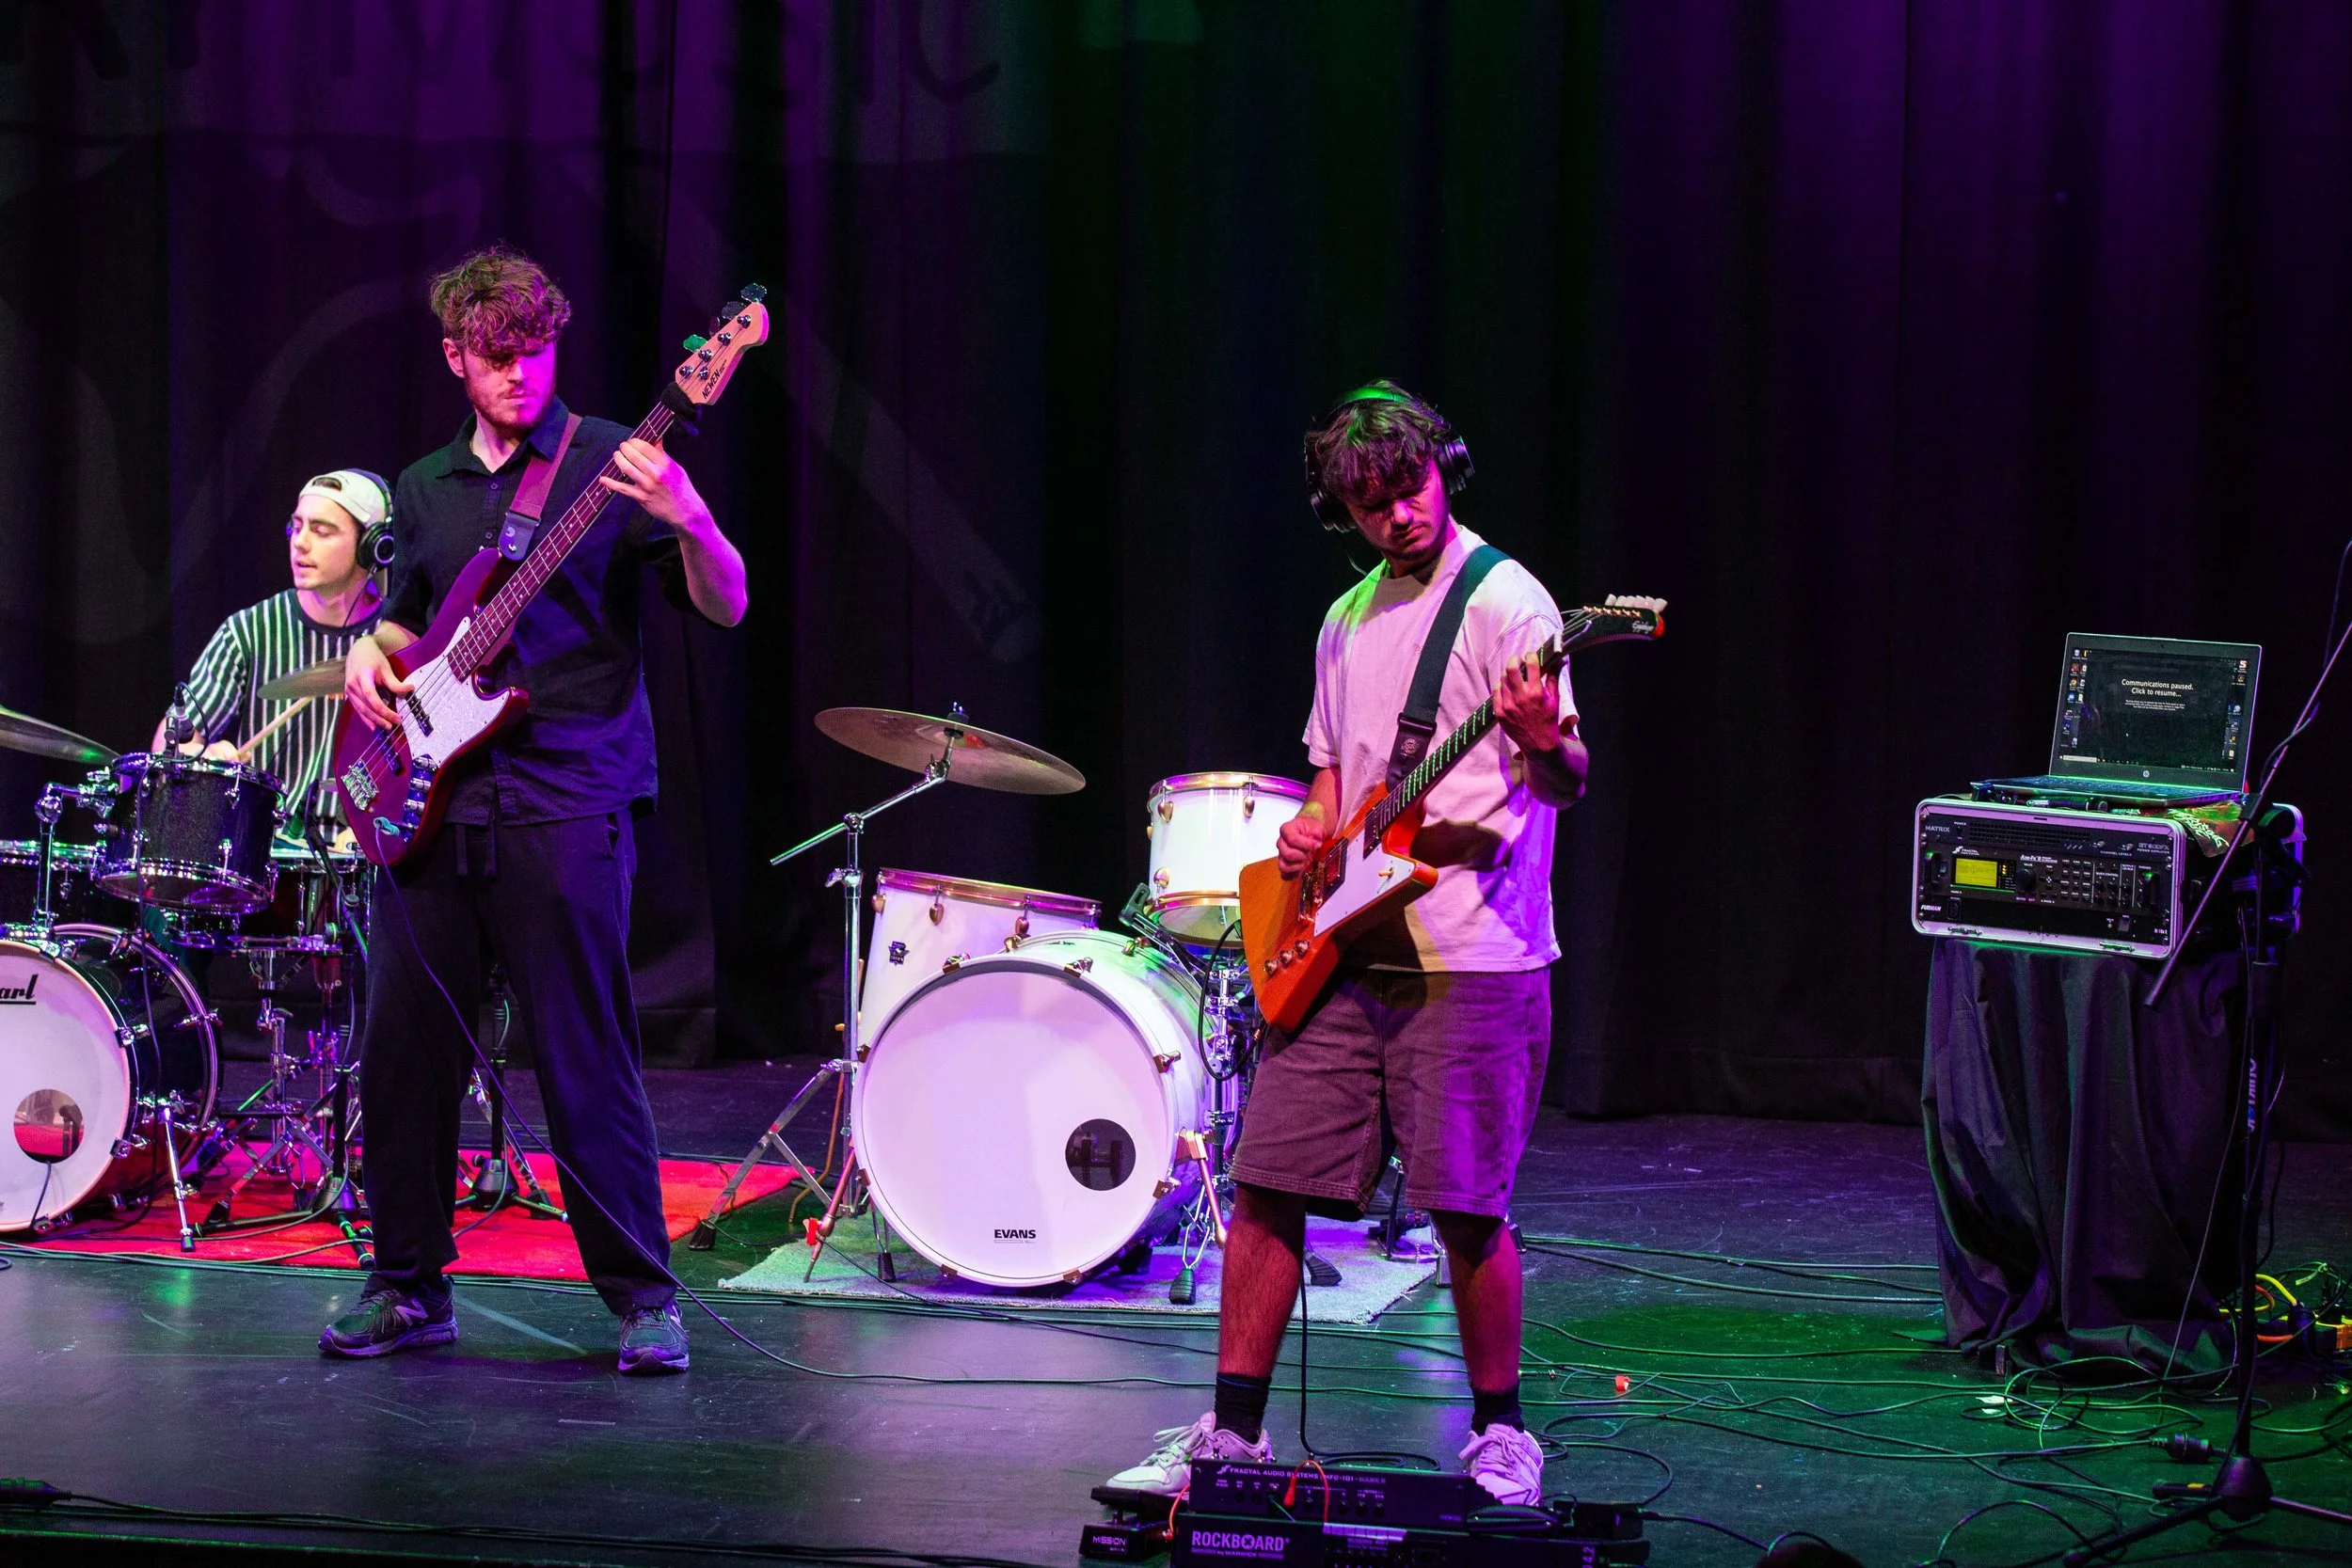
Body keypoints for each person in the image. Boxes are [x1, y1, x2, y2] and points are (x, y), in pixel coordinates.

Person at [1106, 384, 1587, 1505]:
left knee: (1465, 1204)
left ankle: (1502, 1431)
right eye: (1370, 507)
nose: (1398, 519)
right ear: (1343, 511)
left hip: (1473, 954)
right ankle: (1232, 1429)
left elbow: (1566, 776)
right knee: (1266, 1180)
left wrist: (1537, 742)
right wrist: (1318, 820)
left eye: (1409, 491)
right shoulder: (1345, 617)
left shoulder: (1510, 603)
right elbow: (1337, 762)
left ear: (1441, 470)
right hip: (1343, 948)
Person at [321, 245, 747, 1373]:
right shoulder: (424, 487)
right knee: (404, 1053)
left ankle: (644, 1296)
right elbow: (412, 622)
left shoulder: (616, 460)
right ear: (457, 356)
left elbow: (727, 603)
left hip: (569, 796)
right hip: (435, 797)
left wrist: (694, 518)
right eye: (498, 357)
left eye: (539, 352)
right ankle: (408, 1283)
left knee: (583, 1053)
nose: (522, 375)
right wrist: (370, 647)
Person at [153, 470, 389, 816]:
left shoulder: (398, 639)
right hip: (271, 853)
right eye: (296, 526)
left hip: (367, 854)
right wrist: (204, 757)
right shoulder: (249, 631)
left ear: (373, 546)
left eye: (321, 531)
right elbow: (168, 743)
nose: (300, 542)